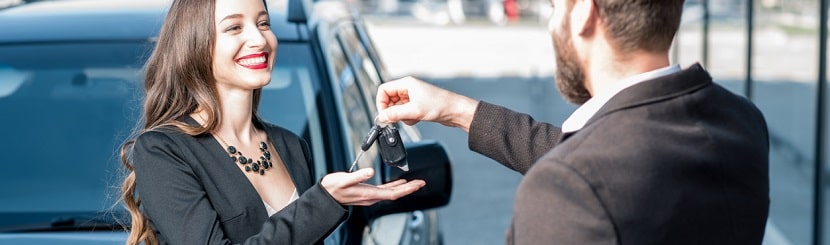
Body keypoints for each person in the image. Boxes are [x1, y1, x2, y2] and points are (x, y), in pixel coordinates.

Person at [376, 0, 769, 244]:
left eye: (552, 7)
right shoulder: (742, 124)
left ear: (583, 11)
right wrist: (456, 110)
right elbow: (607, 161)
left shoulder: (567, 190)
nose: (552, 23)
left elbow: (589, 174)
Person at [118, 0, 425, 244]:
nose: (258, 38)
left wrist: (327, 203)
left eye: (263, 23)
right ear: (196, 44)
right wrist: (323, 202)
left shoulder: (290, 145)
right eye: (234, 27)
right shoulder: (164, 151)